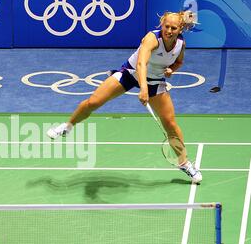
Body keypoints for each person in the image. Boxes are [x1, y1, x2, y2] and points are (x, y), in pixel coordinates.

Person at [47, 11, 202, 184]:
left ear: (180, 29)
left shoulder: (180, 44)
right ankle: (67, 126)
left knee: (170, 124)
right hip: (130, 74)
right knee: (93, 102)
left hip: (156, 81)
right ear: (162, 25)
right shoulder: (152, 38)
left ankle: (184, 163)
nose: (169, 31)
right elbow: (141, 63)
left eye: (173, 28)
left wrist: (171, 70)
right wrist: (143, 88)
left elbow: (178, 62)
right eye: (166, 26)